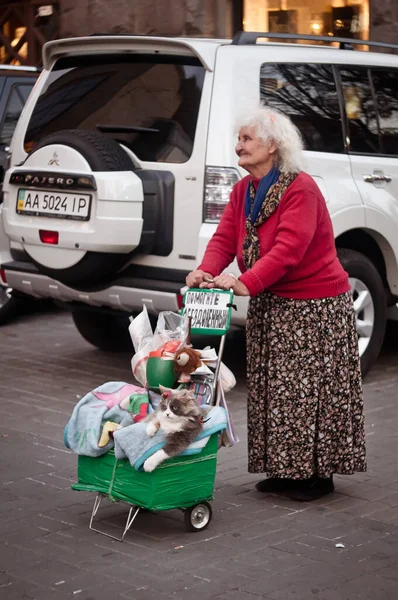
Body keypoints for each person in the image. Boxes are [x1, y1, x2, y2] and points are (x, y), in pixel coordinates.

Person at [186, 105, 366, 502]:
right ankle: (285, 470)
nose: (239, 147)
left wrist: (245, 282)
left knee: (307, 394)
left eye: (247, 139)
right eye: (239, 139)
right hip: (273, 304)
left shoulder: (300, 188)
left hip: (313, 306)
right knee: (275, 392)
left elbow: (288, 251)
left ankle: (317, 477)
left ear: (273, 145)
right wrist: (205, 270)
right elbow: (223, 239)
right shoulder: (243, 189)